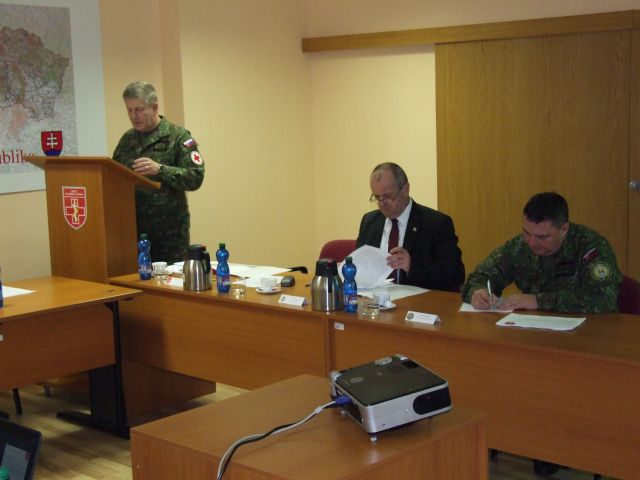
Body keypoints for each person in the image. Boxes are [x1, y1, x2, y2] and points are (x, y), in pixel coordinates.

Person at [462, 191, 622, 313]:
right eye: (526, 232)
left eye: (542, 237)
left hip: (587, 333)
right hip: (533, 329)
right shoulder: (518, 246)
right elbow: (479, 277)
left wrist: (538, 301)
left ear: (564, 229)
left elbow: (604, 298)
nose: (531, 242)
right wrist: (478, 292)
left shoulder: (590, 247)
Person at [113, 81, 205, 264]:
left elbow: (196, 176)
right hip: (133, 230)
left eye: (139, 109)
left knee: (169, 280)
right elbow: (114, 176)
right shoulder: (127, 140)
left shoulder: (178, 136)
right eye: (129, 110)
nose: (133, 116)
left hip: (169, 234)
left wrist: (161, 170)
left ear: (154, 107)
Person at [356, 162, 464, 291]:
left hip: (418, 300)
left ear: (405, 189)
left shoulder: (436, 223)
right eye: (377, 197)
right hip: (375, 299)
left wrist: (411, 266)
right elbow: (361, 265)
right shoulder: (369, 222)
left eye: (388, 196)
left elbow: (455, 274)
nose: (382, 203)